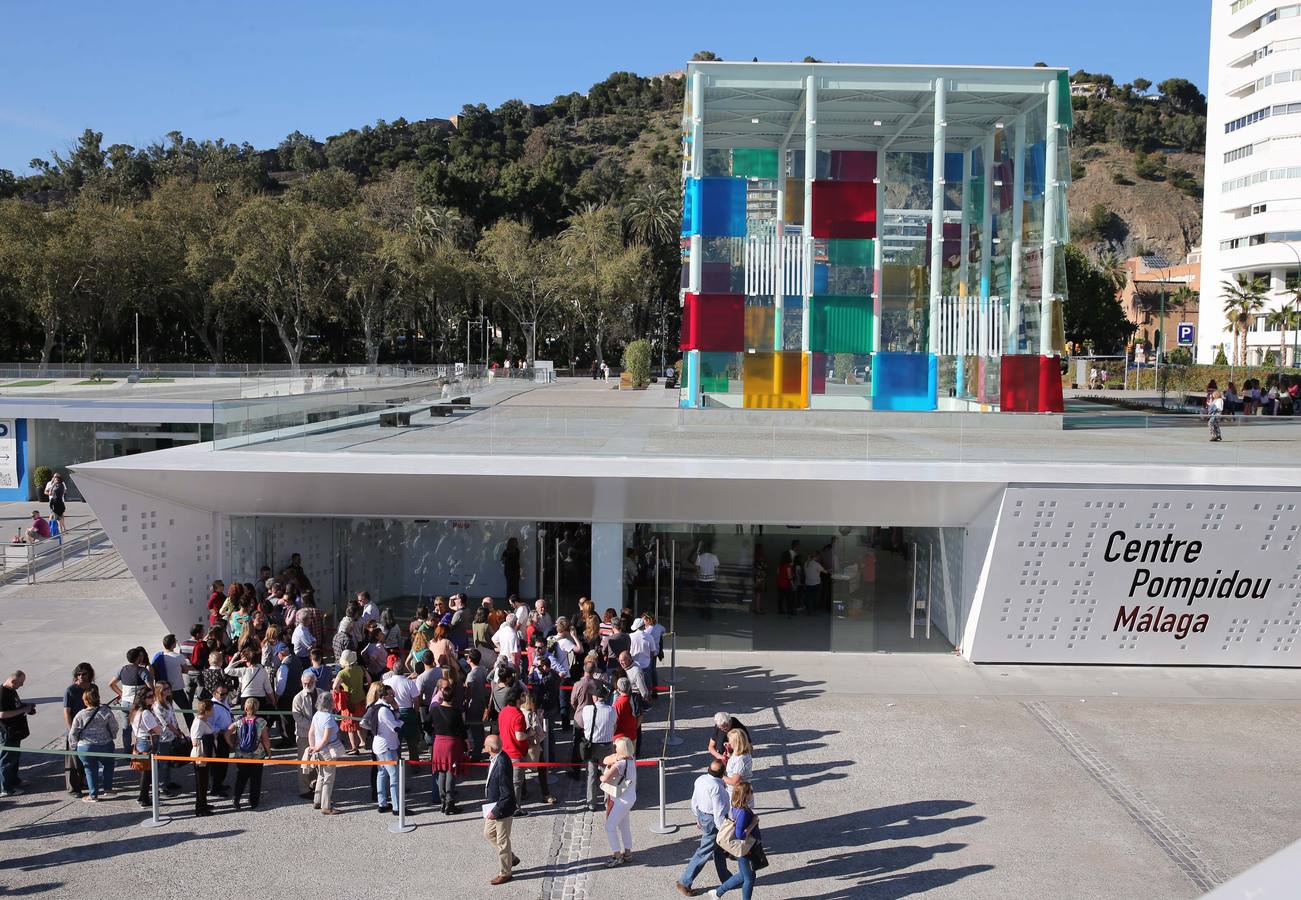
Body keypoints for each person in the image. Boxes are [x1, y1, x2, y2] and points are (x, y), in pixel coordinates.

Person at [677, 760, 732, 896]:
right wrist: (724, 829)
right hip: (713, 821)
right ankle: (684, 882)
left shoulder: (701, 779)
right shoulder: (717, 787)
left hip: (703, 815)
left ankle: (726, 878)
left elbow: (694, 801)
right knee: (704, 850)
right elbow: (718, 812)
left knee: (718, 849)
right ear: (722, 773)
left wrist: (699, 818)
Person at [708, 782, 762, 899]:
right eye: (751, 792)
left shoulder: (737, 807)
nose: (752, 794)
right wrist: (753, 823)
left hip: (745, 849)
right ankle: (718, 893)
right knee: (749, 878)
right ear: (745, 794)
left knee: (743, 876)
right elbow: (740, 835)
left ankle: (717, 893)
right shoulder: (743, 812)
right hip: (745, 849)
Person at [69, 685, 119, 803]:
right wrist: (112, 736)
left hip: (86, 746)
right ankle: (107, 788)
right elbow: (114, 726)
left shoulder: (80, 714)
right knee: (108, 765)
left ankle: (93, 795)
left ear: (85, 701)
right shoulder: (105, 711)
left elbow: (73, 732)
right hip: (105, 744)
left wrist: (73, 746)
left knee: (90, 769)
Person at [482, 734, 519, 886]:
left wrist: (495, 811)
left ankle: (505, 872)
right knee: (488, 833)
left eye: (485, 746)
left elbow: (507, 794)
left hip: (502, 809)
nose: (484, 748)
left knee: (502, 841)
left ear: (491, 748)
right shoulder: (496, 758)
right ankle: (511, 858)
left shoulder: (502, 762)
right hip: (494, 806)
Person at [428, 678, 467, 814]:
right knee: (451, 771)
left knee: (441, 771)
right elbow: (462, 731)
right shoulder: (456, 712)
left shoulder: (434, 710)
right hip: (452, 743)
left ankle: (443, 800)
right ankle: (450, 802)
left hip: (438, 742)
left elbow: (427, 726)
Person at [600, 736, 638, 867]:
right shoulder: (632, 759)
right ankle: (627, 852)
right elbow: (606, 759)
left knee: (609, 827)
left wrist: (601, 776)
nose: (614, 748)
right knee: (624, 826)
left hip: (620, 800)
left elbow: (605, 778)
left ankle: (617, 855)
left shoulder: (619, 765)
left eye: (616, 746)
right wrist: (616, 757)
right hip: (630, 798)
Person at [228, 697, 271, 811]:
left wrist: (232, 744)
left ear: (245, 707)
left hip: (241, 754)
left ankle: (236, 799)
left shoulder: (239, 721)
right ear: (257, 708)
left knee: (241, 777)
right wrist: (269, 752)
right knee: (255, 779)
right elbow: (265, 740)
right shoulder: (261, 722)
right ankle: (253, 801)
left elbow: (227, 732)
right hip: (257, 755)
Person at [307, 692, 346, 815]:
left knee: (321, 776)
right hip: (327, 751)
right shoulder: (328, 717)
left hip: (319, 750)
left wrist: (313, 746)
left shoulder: (317, 714)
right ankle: (326, 806)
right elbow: (326, 738)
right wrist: (317, 748)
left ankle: (317, 801)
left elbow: (311, 733)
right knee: (329, 779)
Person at [62, 663, 97, 798]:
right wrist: (72, 731)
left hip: (90, 730)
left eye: (84, 674)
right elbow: (67, 712)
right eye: (78, 674)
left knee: (87, 759)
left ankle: (84, 782)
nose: (81, 677)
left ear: (90, 675)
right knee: (73, 761)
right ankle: (73, 788)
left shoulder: (93, 688)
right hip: (75, 730)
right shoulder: (70, 690)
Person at [580, 687, 617, 813]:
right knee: (608, 774)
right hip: (606, 746)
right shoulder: (611, 710)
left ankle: (591, 803)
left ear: (595, 697)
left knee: (591, 774)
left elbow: (583, 724)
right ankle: (608, 801)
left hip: (592, 746)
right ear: (606, 698)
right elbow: (614, 725)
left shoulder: (587, 709)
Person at [0, 671, 34, 798]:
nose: (22, 685)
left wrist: (26, 707)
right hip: (7, 732)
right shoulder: (2, 693)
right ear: (13, 681)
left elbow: (15, 705)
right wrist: (23, 709)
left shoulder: (11, 690)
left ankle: (14, 781)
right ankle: (6, 788)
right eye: (20, 683)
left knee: (14, 757)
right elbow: (2, 714)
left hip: (15, 731)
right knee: (6, 760)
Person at [370, 684, 402, 815]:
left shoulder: (377, 706)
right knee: (394, 775)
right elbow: (395, 726)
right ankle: (397, 807)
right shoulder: (383, 710)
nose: (393, 696)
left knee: (382, 774)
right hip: (386, 747)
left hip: (381, 746)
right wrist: (402, 722)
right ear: (383, 696)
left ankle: (382, 803)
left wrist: (395, 708)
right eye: (391, 694)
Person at [128, 687, 162, 808]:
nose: (153, 698)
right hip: (148, 743)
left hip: (140, 741)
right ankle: (144, 798)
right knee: (148, 772)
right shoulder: (146, 713)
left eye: (153, 695)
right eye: (149, 696)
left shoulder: (135, 711)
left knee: (146, 772)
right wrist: (159, 725)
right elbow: (158, 730)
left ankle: (143, 797)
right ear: (143, 699)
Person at [292, 672, 324, 798]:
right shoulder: (298, 698)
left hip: (319, 735)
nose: (307, 685)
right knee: (304, 761)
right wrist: (313, 725)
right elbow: (297, 717)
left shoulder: (321, 693)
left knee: (317, 760)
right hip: (304, 734)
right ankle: (304, 789)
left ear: (314, 682)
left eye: (309, 683)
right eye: (304, 683)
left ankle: (315, 784)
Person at [332, 649, 367, 755]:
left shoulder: (342, 673)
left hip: (349, 702)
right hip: (361, 699)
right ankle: (363, 742)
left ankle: (354, 747)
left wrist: (341, 691)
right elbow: (369, 680)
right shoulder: (361, 668)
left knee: (350, 726)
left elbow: (335, 687)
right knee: (360, 723)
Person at [188, 699, 217, 817]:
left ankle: (204, 803)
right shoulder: (199, 723)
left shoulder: (204, 720)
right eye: (212, 709)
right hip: (201, 757)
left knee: (204, 782)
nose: (214, 711)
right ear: (206, 711)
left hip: (206, 756)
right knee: (200, 783)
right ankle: (200, 808)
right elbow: (195, 741)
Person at [207, 683, 234, 798]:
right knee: (217, 764)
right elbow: (208, 724)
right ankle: (215, 788)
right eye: (221, 694)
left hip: (225, 736)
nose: (224, 696)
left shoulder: (224, 703)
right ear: (214, 693)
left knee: (223, 763)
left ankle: (219, 784)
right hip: (218, 737)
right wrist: (221, 731)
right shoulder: (212, 706)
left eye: (226, 694)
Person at [694, 542, 720, 618]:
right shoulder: (714, 556)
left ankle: (703, 612)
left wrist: (697, 576)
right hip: (711, 579)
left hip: (701, 579)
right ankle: (709, 613)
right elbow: (717, 568)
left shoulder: (700, 557)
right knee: (709, 596)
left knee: (702, 596)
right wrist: (717, 578)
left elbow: (697, 568)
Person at [751, 544, 767, 615]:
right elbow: (764, 566)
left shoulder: (754, 558)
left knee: (756, 593)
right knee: (759, 594)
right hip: (760, 577)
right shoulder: (761, 558)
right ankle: (757, 609)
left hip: (756, 577)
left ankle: (755, 607)